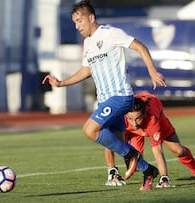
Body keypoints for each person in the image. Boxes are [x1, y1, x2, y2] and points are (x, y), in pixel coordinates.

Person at [41, 0, 167, 190]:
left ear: (91, 18)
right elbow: (86, 71)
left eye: (80, 21)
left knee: (90, 130)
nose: (77, 26)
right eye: (74, 22)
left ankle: (131, 156)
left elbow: (141, 47)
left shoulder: (110, 33)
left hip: (120, 96)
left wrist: (152, 71)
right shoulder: (88, 43)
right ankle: (148, 170)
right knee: (111, 138)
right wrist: (61, 83)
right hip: (104, 100)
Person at [104, 92, 195, 188]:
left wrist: (164, 178)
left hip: (159, 123)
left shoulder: (152, 120)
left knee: (179, 151)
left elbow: (158, 151)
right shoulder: (121, 116)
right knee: (134, 162)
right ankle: (113, 173)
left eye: (138, 118)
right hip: (132, 133)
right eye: (130, 119)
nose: (134, 124)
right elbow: (107, 139)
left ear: (144, 114)